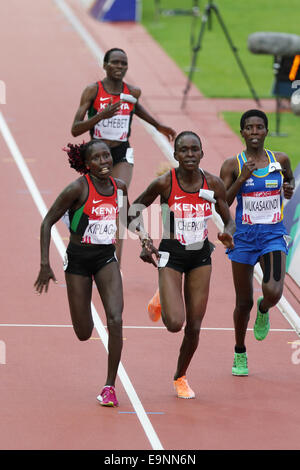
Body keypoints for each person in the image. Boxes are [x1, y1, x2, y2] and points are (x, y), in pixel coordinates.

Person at [34, 139, 155, 407]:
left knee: (115, 318)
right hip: (78, 261)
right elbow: (46, 222)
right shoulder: (77, 189)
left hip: (105, 258)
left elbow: (128, 217)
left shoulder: (119, 187)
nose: (104, 162)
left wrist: (146, 239)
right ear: (87, 165)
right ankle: (82, 306)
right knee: (84, 332)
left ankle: (109, 386)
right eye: (97, 158)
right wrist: (45, 264)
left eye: (107, 157)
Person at [133, 131, 235, 399]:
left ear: (202, 153)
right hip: (171, 255)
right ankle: (163, 297)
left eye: (194, 150)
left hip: (200, 256)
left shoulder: (213, 183)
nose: (189, 155)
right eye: (184, 150)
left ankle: (180, 376)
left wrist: (228, 233)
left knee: (194, 326)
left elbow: (228, 218)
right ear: (175, 155)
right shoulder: (164, 184)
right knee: (174, 323)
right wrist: (145, 239)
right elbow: (132, 210)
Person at [71, 47, 176, 261]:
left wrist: (158, 126)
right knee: (93, 203)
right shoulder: (93, 91)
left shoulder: (132, 92)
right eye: (115, 62)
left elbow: (136, 109)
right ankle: (85, 246)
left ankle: (113, 262)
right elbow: (75, 129)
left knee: (119, 201)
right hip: (96, 153)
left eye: (123, 63)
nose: (119, 67)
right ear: (105, 65)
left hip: (121, 152)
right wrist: (101, 115)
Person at [220, 109, 295, 376]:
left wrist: (288, 188)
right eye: (249, 128)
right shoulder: (233, 164)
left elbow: (289, 181)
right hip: (244, 238)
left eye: (259, 127)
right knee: (243, 302)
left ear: (266, 131)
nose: (254, 132)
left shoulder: (280, 159)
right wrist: (242, 179)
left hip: (272, 234)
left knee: (273, 291)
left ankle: (265, 309)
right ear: (242, 133)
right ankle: (240, 351)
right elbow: (224, 203)